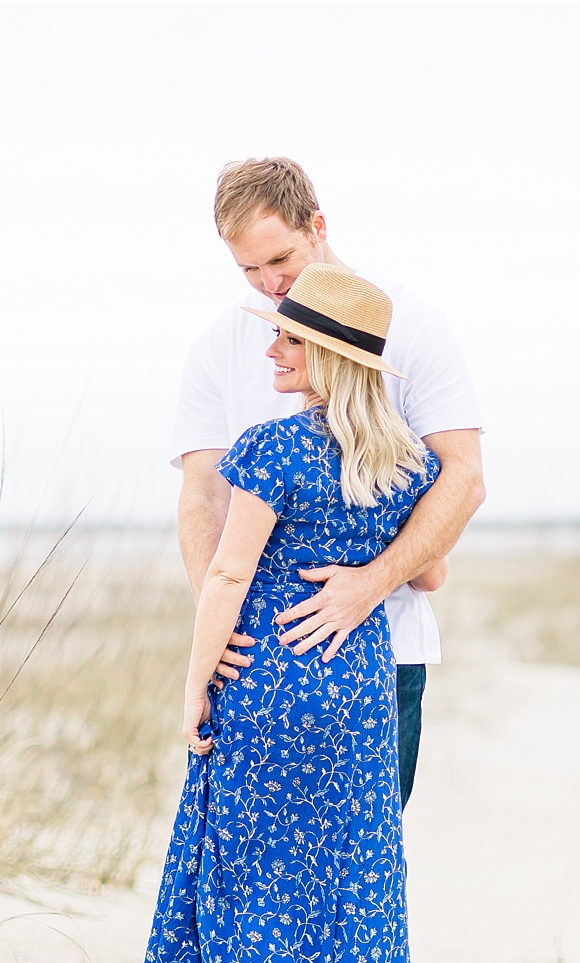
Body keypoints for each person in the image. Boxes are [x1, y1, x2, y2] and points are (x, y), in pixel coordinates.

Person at [117, 264, 439, 963]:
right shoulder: (408, 460)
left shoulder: (271, 448)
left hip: (270, 684)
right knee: (359, 892)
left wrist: (194, 682)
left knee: (257, 893)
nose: (272, 348)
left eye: (290, 338)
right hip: (359, 687)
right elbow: (431, 573)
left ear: (329, 358)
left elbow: (226, 570)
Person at [172, 157, 484, 804]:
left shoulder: (415, 326)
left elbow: (463, 478)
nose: (269, 282)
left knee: (365, 849)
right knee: (258, 855)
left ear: (317, 225)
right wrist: (218, 623)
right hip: (256, 655)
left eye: (279, 259)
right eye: (248, 269)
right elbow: (203, 494)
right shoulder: (222, 343)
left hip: (385, 646)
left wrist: (371, 583)